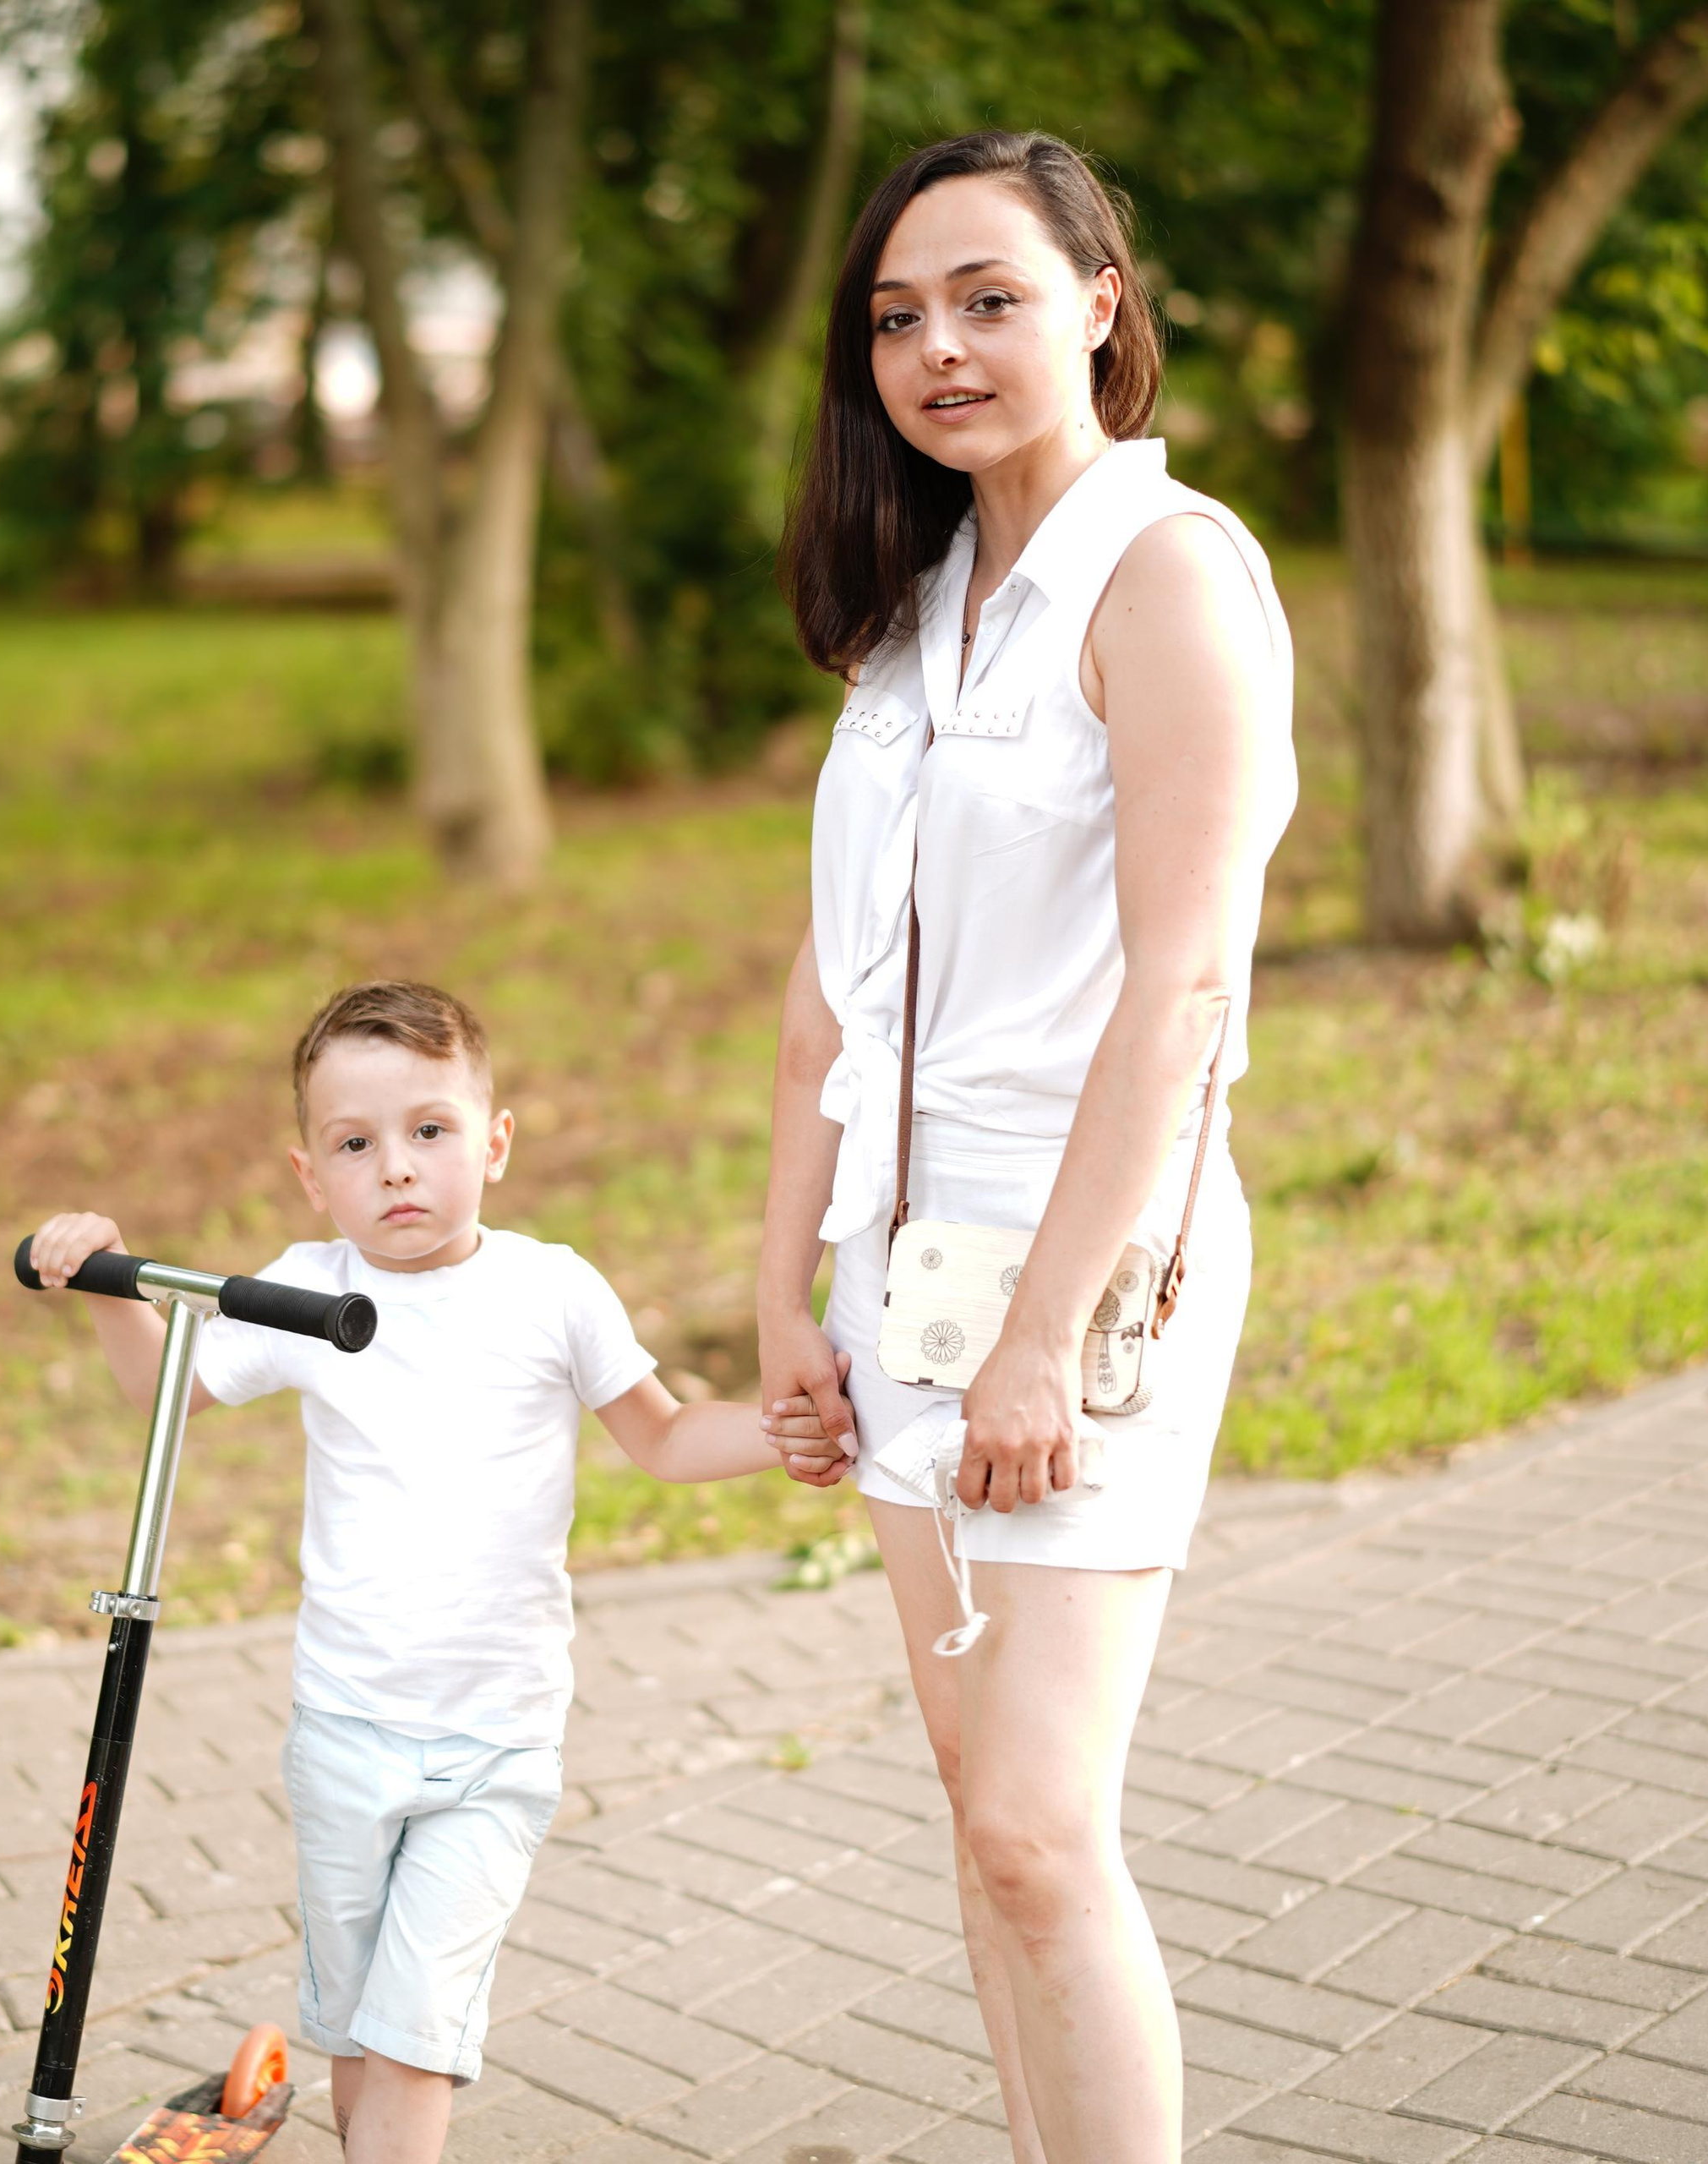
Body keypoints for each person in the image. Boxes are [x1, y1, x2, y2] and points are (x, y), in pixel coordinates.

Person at [756, 132, 1298, 2161]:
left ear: (1096, 301)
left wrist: (1039, 1335)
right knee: (976, 1822)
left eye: (986, 297)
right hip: (891, 1274)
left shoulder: (1168, 578)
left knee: (1034, 1828)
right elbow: (826, 997)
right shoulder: (910, 611)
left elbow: (1180, 997)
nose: (937, 347)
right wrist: (779, 1295)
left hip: (1068, 1272)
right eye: (897, 315)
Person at [29, 981, 841, 2164]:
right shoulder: (306, 1289)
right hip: (345, 1729)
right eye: (357, 1145)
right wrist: (106, 1284)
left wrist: (784, 1432)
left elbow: (662, 1437)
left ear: (494, 1143)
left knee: (415, 2036)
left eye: (429, 1131)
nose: (397, 1169)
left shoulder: (550, 1291)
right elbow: (175, 1391)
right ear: (312, 1174)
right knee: (359, 2032)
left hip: (493, 1744)